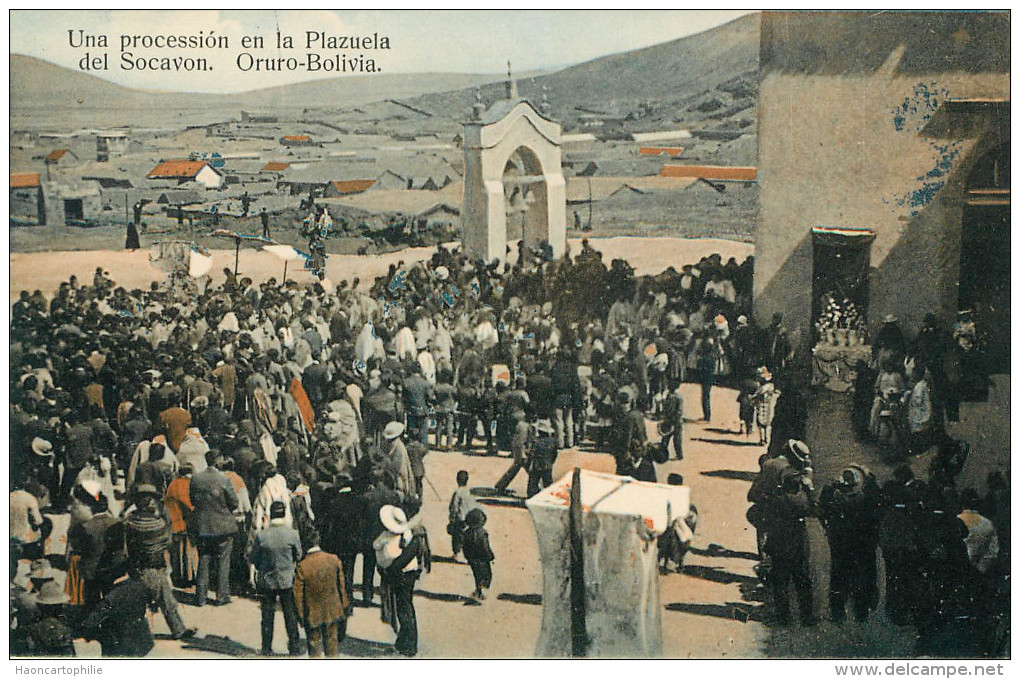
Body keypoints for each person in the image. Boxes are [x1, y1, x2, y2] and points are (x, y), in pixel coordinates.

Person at [124, 484, 195, 639]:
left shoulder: (130, 522)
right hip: (155, 566)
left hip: (136, 565)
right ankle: (178, 629)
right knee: (167, 601)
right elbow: (167, 543)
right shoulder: (159, 524)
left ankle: (138, 632)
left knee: (139, 602)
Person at [817, 466, 881, 623]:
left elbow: (821, 510)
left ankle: (838, 613)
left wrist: (830, 488)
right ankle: (861, 613)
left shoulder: (836, 501)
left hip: (840, 546)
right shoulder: (863, 500)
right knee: (861, 578)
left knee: (838, 578)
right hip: (861, 546)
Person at [251, 501, 303, 656]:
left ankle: (266, 647)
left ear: (270, 514)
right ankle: (294, 647)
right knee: (290, 614)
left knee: (267, 615)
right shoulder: (292, 534)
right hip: (287, 579)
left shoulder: (261, 536)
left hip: (267, 580)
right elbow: (298, 555)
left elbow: (254, 558)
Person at [189, 455, 239, 607]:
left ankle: (200, 597)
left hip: (202, 525)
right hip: (223, 526)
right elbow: (234, 502)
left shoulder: (196, 478)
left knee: (204, 559)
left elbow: (192, 499)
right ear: (217, 461)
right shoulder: (224, 480)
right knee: (223, 561)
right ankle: (221, 595)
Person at [374, 505, 424, 657]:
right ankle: (404, 642)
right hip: (408, 573)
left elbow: (395, 560)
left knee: (404, 609)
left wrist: (387, 571)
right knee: (404, 607)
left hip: (400, 575)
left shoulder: (392, 538)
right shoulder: (409, 534)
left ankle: (408, 646)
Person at [293, 528, 351, 658]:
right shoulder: (334, 559)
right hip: (333, 611)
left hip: (312, 614)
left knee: (314, 651)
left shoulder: (302, 566)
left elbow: (297, 595)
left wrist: (301, 616)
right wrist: (345, 607)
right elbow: (342, 587)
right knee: (332, 648)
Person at [82, 577, 154, 657]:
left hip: (120, 644)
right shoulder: (140, 586)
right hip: (142, 641)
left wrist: (86, 631)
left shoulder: (113, 595)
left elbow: (93, 619)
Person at [462, 508, 494, 600]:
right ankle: (483, 591)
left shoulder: (466, 533)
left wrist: (467, 557)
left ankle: (478, 590)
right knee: (487, 574)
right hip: (483, 558)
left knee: (477, 574)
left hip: (472, 558)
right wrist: (490, 556)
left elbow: (464, 546)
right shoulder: (483, 533)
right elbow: (485, 546)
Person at [447, 470, 477, 559]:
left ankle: (456, 554)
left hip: (460, 518)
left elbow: (454, 506)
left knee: (456, 537)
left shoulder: (457, 492)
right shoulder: (469, 492)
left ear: (457, 480)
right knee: (467, 538)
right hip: (469, 518)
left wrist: (451, 518)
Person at [526, 420, 558, 498]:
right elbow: (554, 454)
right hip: (548, 464)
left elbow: (531, 453)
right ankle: (550, 497)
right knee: (548, 483)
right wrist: (551, 462)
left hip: (537, 465)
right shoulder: (553, 441)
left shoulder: (536, 441)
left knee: (533, 482)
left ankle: (531, 496)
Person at [697, 343, 716, 422]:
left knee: (705, 397)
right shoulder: (712, 358)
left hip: (705, 379)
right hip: (710, 378)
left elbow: (699, 367)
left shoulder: (703, 359)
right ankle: (707, 415)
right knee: (706, 396)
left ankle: (707, 416)